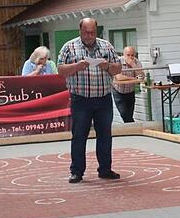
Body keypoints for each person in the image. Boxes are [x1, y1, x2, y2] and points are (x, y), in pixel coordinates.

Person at [57, 17, 122, 183]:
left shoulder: (106, 46)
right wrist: (77, 66)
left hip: (103, 99)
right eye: (86, 32)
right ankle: (77, 171)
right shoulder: (69, 47)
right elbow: (61, 70)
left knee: (105, 136)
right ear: (80, 31)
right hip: (80, 99)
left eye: (92, 32)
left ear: (96, 31)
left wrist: (107, 66)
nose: (89, 35)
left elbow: (118, 68)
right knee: (79, 136)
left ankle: (105, 169)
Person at [112, 46, 144, 123]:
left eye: (132, 55)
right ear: (124, 54)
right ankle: (134, 128)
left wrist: (134, 66)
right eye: (128, 55)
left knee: (129, 114)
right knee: (124, 113)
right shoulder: (118, 61)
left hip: (130, 91)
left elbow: (141, 77)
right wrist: (134, 79)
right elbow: (119, 77)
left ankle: (132, 129)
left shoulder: (136, 62)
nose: (130, 57)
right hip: (119, 91)